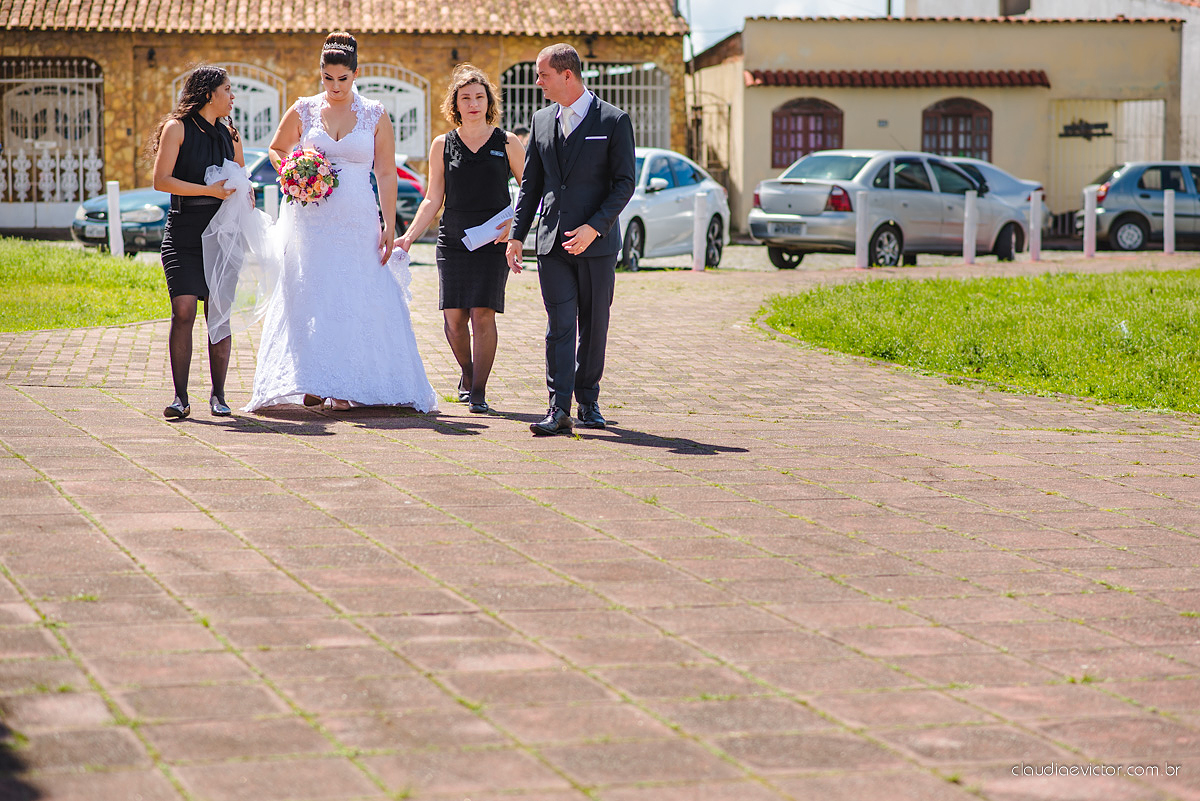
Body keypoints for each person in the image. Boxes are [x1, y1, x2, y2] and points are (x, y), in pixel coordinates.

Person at [243, 31, 437, 414]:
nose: (334, 87)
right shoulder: (303, 109)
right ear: (320, 74)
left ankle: (346, 382)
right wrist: (296, 174)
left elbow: (385, 171)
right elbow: (278, 149)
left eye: (342, 79)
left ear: (356, 73)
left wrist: (389, 221)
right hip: (310, 220)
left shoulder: (376, 114)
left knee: (353, 292)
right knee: (311, 292)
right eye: (327, 79)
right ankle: (313, 378)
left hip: (357, 218)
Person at [507, 44, 636, 436]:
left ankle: (589, 401)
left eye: (543, 74)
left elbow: (624, 184)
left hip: (597, 244)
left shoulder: (614, 121)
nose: (537, 82)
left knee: (594, 325)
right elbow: (531, 186)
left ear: (567, 74)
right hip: (551, 245)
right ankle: (558, 406)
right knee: (559, 325)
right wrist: (517, 236)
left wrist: (594, 227)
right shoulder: (542, 120)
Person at [396, 65, 524, 414]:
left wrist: (515, 225)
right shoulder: (443, 144)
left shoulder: (507, 142)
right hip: (453, 240)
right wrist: (407, 237)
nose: (473, 103)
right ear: (455, 103)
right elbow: (432, 198)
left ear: (488, 101)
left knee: (483, 314)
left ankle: (479, 391)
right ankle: (467, 375)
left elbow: (530, 190)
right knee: (454, 317)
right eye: (465, 97)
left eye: (479, 97)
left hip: (493, 241)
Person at [150, 65, 243, 419]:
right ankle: (180, 399)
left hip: (222, 235)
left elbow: (240, 176)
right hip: (184, 232)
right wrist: (209, 191)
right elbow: (162, 180)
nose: (232, 96)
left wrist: (243, 194)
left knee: (218, 317)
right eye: (228, 89)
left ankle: (219, 396)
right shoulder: (177, 129)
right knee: (184, 310)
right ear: (209, 93)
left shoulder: (231, 134)